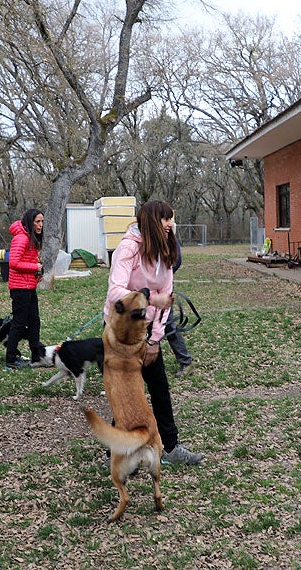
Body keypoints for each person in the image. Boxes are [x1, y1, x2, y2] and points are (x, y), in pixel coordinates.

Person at [105, 199, 203, 465]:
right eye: (166, 219)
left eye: (171, 218)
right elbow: (115, 292)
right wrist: (148, 297)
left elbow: (166, 298)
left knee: (159, 388)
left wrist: (155, 340)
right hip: (121, 332)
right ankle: (115, 453)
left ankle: (170, 447)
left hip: (147, 331)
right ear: (151, 221)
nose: (171, 224)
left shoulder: (164, 250)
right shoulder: (128, 248)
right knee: (126, 392)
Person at [5, 208, 46, 367]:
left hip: (29, 285)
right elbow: (13, 263)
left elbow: (27, 262)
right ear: (30, 222)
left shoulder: (31, 238)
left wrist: (37, 273)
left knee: (34, 321)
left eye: (42, 221)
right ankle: (10, 358)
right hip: (19, 288)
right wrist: (34, 267)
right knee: (19, 323)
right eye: (37, 221)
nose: (41, 225)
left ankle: (37, 355)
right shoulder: (21, 238)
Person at [165, 232, 194, 378]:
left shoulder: (168, 236)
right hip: (145, 290)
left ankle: (186, 362)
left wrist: (163, 276)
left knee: (168, 324)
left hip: (164, 287)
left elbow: (176, 261)